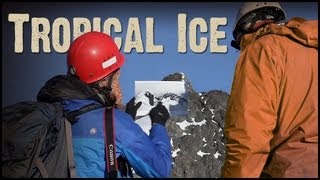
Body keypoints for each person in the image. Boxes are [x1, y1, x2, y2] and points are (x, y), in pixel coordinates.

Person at [36, 31, 173, 178]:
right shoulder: (114, 122)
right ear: (103, 80)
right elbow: (160, 170)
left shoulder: (46, 116)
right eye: (116, 78)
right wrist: (158, 125)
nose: (118, 86)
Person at [221, 2, 318, 178]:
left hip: (291, 168)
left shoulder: (261, 49)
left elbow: (249, 138)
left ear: (247, 26)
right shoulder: (313, 49)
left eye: (239, 43)